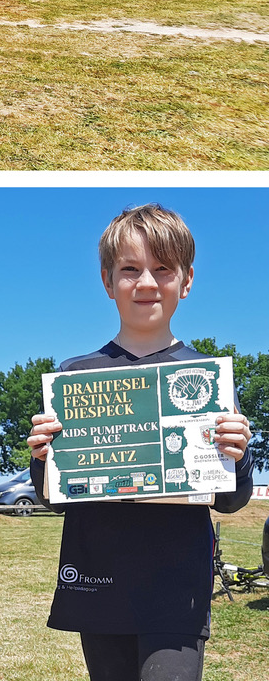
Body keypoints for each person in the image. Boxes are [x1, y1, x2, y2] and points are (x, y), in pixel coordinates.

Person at [26, 203, 253, 681]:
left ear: (186, 281)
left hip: (177, 590)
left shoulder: (208, 381)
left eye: (162, 269)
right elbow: (56, 500)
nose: (146, 283)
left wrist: (240, 452)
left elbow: (229, 501)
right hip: (99, 578)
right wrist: (43, 456)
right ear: (108, 282)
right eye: (130, 270)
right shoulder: (75, 377)